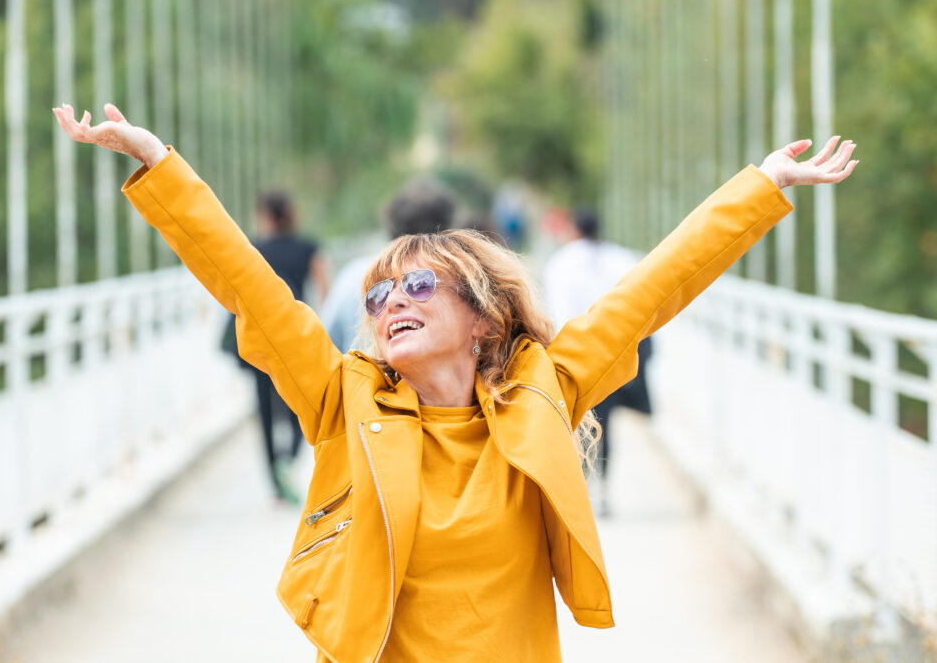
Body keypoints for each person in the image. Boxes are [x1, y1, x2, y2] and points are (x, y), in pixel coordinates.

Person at [53, 102, 857, 662]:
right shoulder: (345, 398)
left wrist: (762, 187)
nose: (390, 302)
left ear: (484, 318)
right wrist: (159, 166)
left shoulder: (546, 387)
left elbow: (651, 291)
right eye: (378, 294)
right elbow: (249, 284)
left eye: (418, 286)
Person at [221, 190, 329, 503]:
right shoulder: (309, 247)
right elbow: (324, 290)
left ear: (266, 216)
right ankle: (290, 457)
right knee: (300, 404)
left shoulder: (255, 248)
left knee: (265, 409)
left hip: (260, 339)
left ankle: (275, 484)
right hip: (297, 337)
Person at [543, 209, 651, 516]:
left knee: (578, 426)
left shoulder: (561, 262)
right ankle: (603, 493)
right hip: (613, 354)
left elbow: (556, 312)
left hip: (574, 356)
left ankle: (579, 492)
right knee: (605, 424)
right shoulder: (620, 259)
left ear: (574, 229)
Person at [319, 177, 455, 351]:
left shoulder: (354, 275)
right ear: (448, 229)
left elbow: (324, 345)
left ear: (391, 222)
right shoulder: (449, 282)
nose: (392, 301)